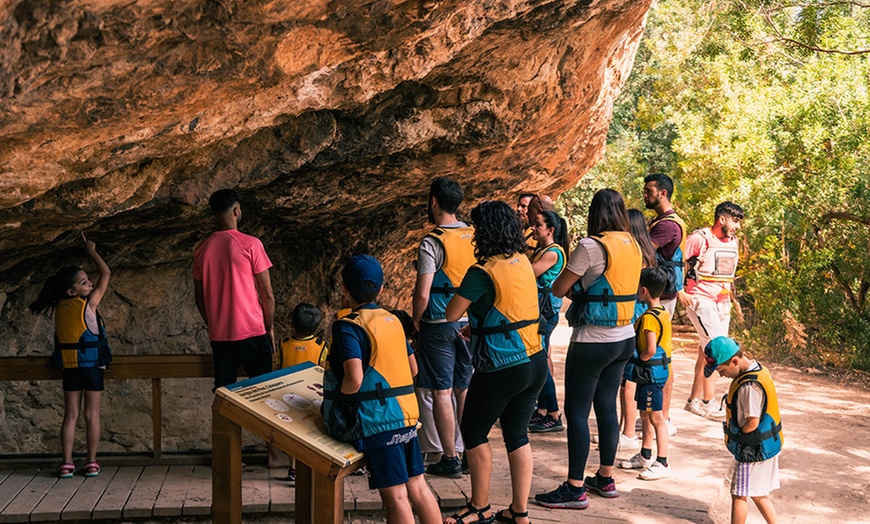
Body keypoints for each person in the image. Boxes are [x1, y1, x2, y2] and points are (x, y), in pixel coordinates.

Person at [535, 188, 642, 509]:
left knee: (577, 412)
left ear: (594, 214)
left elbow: (559, 287)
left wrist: (581, 287)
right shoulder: (632, 244)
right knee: (607, 407)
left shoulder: (590, 246)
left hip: (592, 341)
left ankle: (574, 487)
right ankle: (605, 478)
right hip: (624, 338)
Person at [443, 200, 547, 524]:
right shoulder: (522, 262)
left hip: (504, 367)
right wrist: (481, 325)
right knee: (517, 434)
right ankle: (520, 513)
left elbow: (451, 313)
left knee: (473, 431)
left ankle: (480, 507)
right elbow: (512, 309)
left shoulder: (482, 270)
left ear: (483, 232)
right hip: (536, 361)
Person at [321, 255, 441, 524]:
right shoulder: (393, 321)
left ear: (344, 289)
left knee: (396, 496)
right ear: (381, 289)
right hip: (407, 415)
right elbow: (413, 369)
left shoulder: (348, 326)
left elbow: (353, 377)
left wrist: (339, 397)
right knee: (418, 488)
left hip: (378, 421)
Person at [193, 188, 287, 467]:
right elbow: (267, 294)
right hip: (252, 331)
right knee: (266, 392)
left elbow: (199, 298)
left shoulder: (202, 249)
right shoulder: (250, 244)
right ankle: (273, 454)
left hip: (220, 335)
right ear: (236, 211)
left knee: (223, 392)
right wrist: (268, 327)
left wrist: (214, 322)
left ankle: (226, 454)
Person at [29, 233, 112, 478]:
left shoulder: (58, 308)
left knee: (71, 415)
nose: (90, 285)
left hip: (70, 368)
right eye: (85, 282)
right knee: (91, 414)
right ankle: (91, 461)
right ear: (71, 291)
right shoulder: (89, 305)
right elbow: (106, 274)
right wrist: (92, 252)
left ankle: (66, 463)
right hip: (93, 367)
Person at [412, 177, 476, 478]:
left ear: (433, 201)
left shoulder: (432, 241)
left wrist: (415, 321)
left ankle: (449, 458)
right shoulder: (473, 236)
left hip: (438, 324)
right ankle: (467, 454)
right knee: (463, 390)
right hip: (470, 323)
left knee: (441, 391)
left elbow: (423, 292)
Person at [679, 201, 744, 420]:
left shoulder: (733, 241)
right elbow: (675, 261)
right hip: (701, 300)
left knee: (705, 350)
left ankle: (694, 400)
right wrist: (679, 290)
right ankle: (710, 402)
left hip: (722, 303)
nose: (737, 226)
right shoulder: (700, 239)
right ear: (722, 219)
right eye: (735, 221)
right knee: (719, 348)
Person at [705, 336, 782, 524]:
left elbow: (752, 422)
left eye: (721, 370)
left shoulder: (749, 386)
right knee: (757, 492)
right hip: (765, 446)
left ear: (734, 361)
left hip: (752, 450)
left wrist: (740, 440)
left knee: (739, 494)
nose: (721, 375)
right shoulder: (758, 370)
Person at [643, 173, 687, 436]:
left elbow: (644, 254)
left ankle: (664, 416)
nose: (645, 194)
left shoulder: (667, 226)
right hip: (660, 292)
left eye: (649, 190)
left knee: (660, 356)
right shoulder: (663, 221)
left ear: (663, 193)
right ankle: (655, 415)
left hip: (661, 296)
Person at [618, 267, 672, 480]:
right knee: (645, 414)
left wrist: (638, 360)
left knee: (656, 417)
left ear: (643, 290)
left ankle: (663, 462)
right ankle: (645, 454)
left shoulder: (649, 318)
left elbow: (650, 349)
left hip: (651, 374)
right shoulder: (663, 312)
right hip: (654, 373)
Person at [613, 209, 659, 451]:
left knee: (628, 377)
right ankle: (624, 429)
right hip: (638, 316)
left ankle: (628, 432)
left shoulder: (636, 255)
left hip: (633, 317)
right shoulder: (648, 253)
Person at [528, 210, 569, 433]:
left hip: (545, 313)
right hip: (540, 311)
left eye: (537, 225)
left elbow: (528, 272)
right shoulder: (542, 250)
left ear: (550, 230)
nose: (533, 228)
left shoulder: (553, 253)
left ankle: (553, 413)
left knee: (541, 362)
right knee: (539, 359)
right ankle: (543, 410)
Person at [278, 303, 327, 482]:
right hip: (312, 397)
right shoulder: (321, 346)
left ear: (291, 323)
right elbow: (322, 370)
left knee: (293, 432)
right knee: (312, 431)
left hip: (287, 395)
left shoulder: (283, 345)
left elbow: (278, 367)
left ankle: (293, 468)